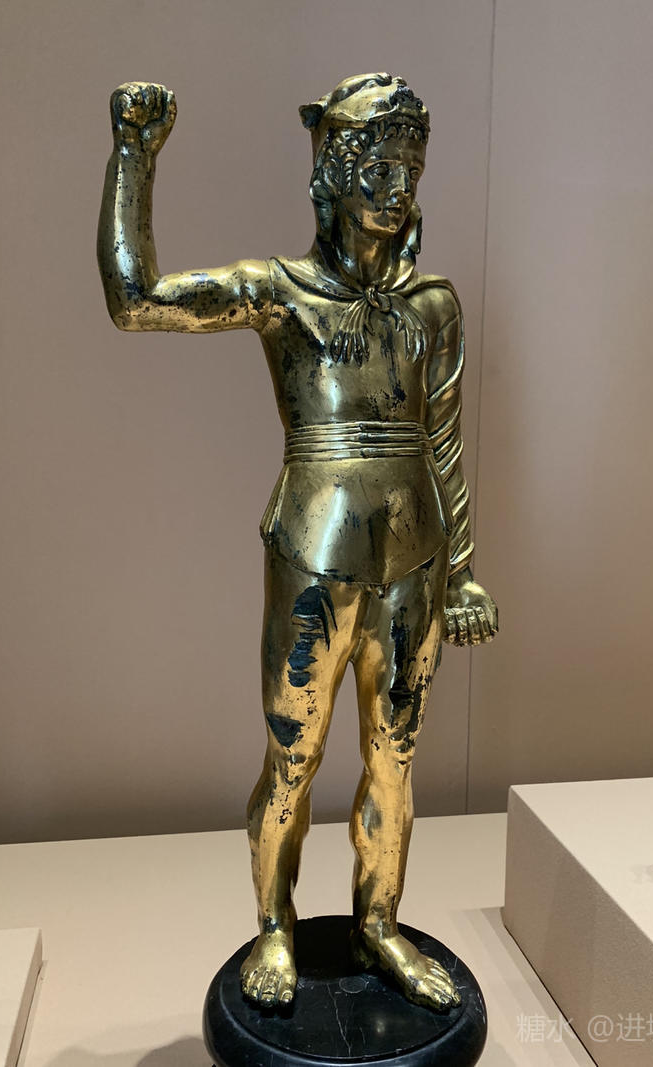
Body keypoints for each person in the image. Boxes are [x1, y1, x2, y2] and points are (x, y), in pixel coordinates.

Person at [98, 73, 497, 1012]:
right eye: (378, 167)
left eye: (410, 170)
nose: (396, 188)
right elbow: (136, 298)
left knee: (395, 757)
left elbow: (442, 441)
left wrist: (465, 573)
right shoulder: (280, 294)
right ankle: (275, 924)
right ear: (333, 172)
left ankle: (379, 922)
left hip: (414, 559)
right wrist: (133, 158)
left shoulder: (433, 305)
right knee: (293, 755)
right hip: (314, 554)